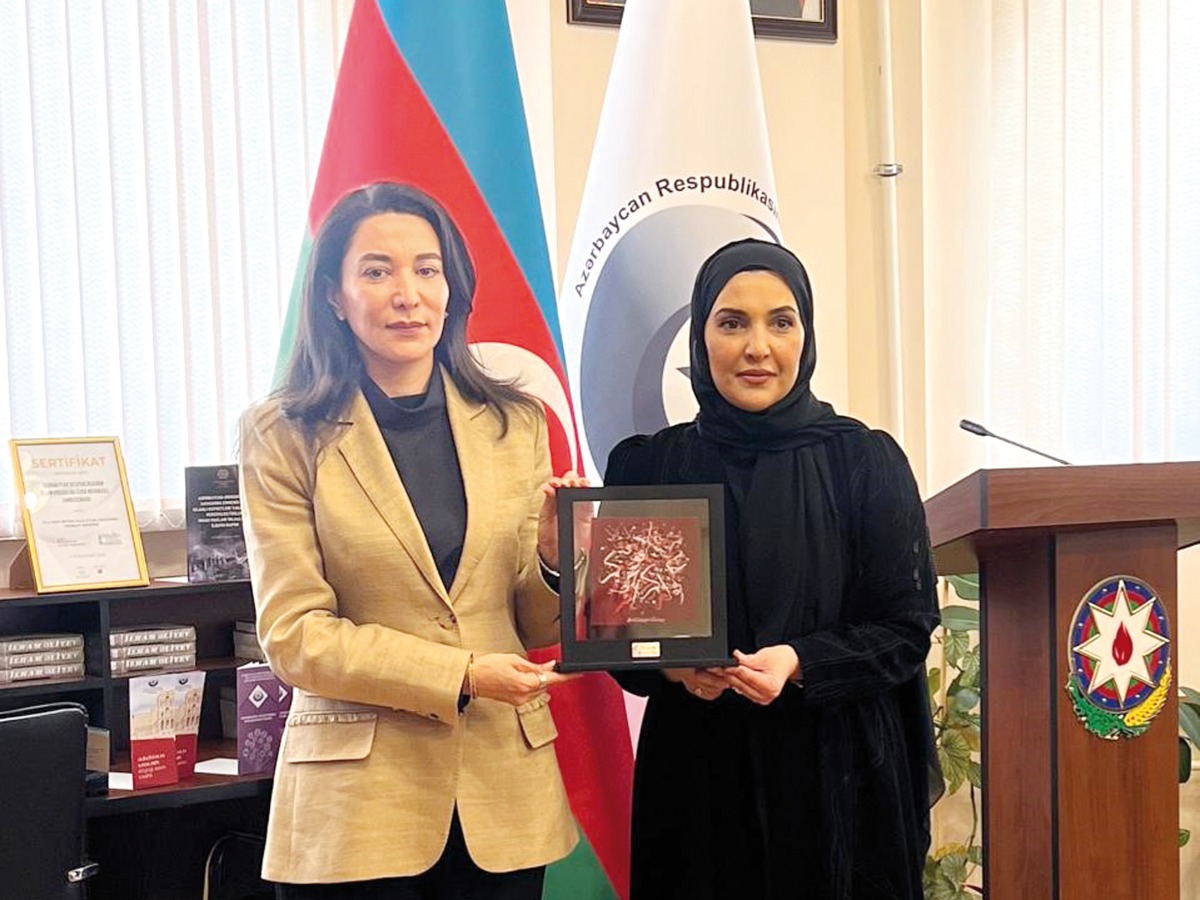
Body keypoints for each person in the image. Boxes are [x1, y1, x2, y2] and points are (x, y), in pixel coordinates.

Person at [238, 182, 582, 899]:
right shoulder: (282, 435)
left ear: (453, 288)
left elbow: (532, 624)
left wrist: (552, 562)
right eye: (377, 271)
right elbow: (296, 635)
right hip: (358, 808)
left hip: (503, 795)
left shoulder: (514, 422)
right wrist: (458, 675)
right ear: (333, 295)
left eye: (428, 270)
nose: (407, 293)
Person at [606, 238, 942, 900]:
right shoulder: (650, 467)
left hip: (838, 784)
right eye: (732, 322)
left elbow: (906, 628)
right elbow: (623, 643)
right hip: (698, 786)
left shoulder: (864, 461)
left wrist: (798, 661)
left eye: (780, 322)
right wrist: (673, 665)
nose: (758, 346)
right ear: (701, 340)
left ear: (804, 335)